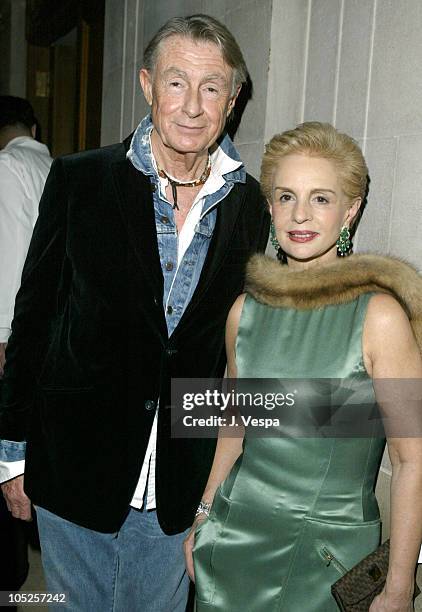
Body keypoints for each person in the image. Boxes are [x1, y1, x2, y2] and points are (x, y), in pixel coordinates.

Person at [0, 14, 269, 612]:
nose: (193, 105)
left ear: (234, 97)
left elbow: (237, 353)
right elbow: (35, 319)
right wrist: (12, 449)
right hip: (75, 462)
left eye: (212, 87)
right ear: (147, 85)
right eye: (177, 82)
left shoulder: (251, 205)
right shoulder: (81, 180)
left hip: (182, 474)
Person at [185, 122, 422, 611]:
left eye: (321, 198)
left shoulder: (378, 316)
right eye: (286, 196)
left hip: (325, 557)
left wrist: (399, 583)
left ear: (350, 210)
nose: (299, 214)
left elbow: (411, 458)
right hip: (232, 541)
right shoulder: (244, 312)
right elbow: (233, 425)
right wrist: (203, 515)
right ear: (269, 208)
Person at [0, 96, 52, 600]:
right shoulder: (54, 165)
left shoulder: (7, 167)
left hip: (17, 334)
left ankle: (13, 575)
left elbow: (11, 258)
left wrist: (4, 339)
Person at [0, 96, 53, 377]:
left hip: (21, 318)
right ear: (33, 130)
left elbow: (11, 246)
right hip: (53, 314)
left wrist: (3, 329)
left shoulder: (7, 164)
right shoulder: (57, 166)